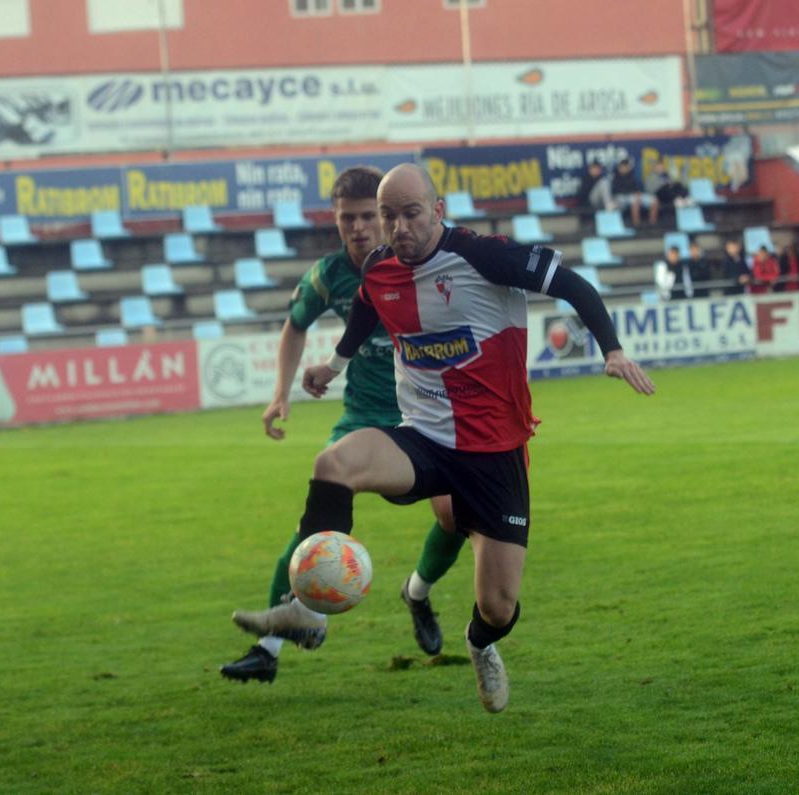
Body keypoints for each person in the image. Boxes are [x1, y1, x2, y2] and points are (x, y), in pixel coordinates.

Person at [231, 164, 655, 713]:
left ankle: (480, 645)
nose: (398, 227)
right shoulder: (381, 268)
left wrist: (612, 349)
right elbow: (366, 309)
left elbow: (572, 284)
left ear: (437, 209)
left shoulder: (484, 256)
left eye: (410, 213)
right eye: (389, 217)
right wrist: (334, 367)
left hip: (495, 453)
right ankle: (306, 612)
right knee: (333, 463)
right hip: (424, 439)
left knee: (499, 606)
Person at [221, 166, 464, 684]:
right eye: (345, 218)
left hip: (425, 416)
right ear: (336, 220)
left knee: (456, 515)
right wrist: (279, 394)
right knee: (315, 526)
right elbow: (295, 326)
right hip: (361, 416)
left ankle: (416, 593)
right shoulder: (330, 275)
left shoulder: (422, 261)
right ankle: (268, 650)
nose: (357, 228)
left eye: (364, 217)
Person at [609, 158, 658, 227]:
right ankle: (637, 224)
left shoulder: (633, 175)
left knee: (654, 200)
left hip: (635, 195)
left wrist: (638, 193)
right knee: (634, 200)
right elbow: (617, 191)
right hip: (621, 197)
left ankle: (652, 223)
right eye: (622, 166)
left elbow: (638, 188)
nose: (624, 168)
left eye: (626, 166)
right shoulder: (615, 176)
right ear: (619, 167)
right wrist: (634, 194)